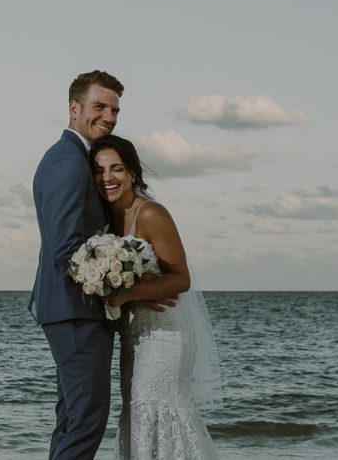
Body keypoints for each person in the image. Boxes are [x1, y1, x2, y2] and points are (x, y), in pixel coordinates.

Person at [91, 134, 222, 460]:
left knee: (156, 410)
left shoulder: (150, 214)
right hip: (134, 335)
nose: (107, 178)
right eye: (99, 171)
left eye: (117, 169)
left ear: (133, 173)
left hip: (166, 334)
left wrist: (127, 294)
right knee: (136, 413)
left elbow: (181, 278)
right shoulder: (106, 219)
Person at [29, 69, 126, 460]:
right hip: (75, 309)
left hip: (74, 310)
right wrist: (124, 290)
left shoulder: (76, 158)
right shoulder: (66, 161)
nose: (109, 116)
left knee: (73, 417)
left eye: (115, 109)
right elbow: (67, 247)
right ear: (74, 108)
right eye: (99, 106)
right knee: (86, 418)